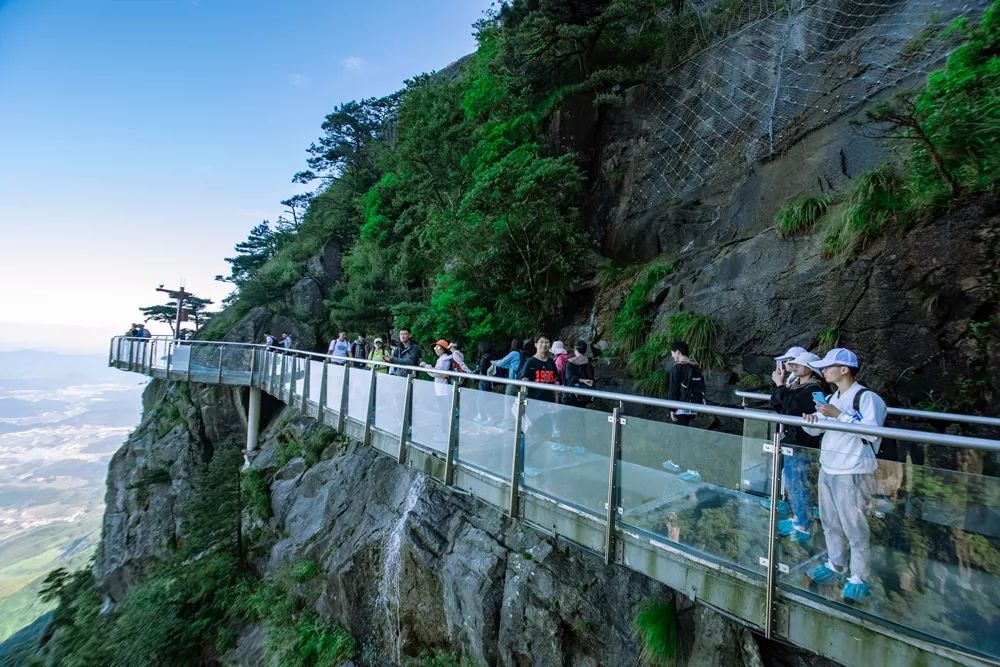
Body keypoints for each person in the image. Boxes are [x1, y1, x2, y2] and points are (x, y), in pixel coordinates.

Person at [802, 348, 887, 604]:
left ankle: (859, 577)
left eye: (828, 366)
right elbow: (816, 431)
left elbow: (872, 432)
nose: (824, 371)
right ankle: (836, 564)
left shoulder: (867, 398)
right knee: (830, 521)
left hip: (853, 469)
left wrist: (838, 415)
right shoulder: (832, 398)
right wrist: (811, 420)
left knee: (855, 526)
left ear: (844, 369)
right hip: (829, 466)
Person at [768, 351, 830, 541]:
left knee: (798, 481)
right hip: (793, 439)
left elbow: (791, 408)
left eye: (799, 364)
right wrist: (781, 387)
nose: (793, 367)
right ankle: (799, 517)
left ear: (810, 369)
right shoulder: (798, 385)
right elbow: (778, 404)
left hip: (802, 442)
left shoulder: (813, 389)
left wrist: (780, 385)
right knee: (792, 481)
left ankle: (803, 524)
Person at [419, 339, 454, 442]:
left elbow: (436, 374)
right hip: (441, 388)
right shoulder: (442, 359)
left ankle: (446, 434)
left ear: (444, 349)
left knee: (444, 411)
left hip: (443, 389)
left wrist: (427, 366)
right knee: (443, 411)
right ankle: (445, 432)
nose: (436, 349)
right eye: (435, 347)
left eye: (438, 348)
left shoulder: (444, 360)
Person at [666, 341, 706, 426]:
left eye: (672, 353)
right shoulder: (695, 366)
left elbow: (673, 390)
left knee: (680, 433)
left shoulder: (676, 368)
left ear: (677, 352)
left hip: (681, 408)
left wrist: (672, 409)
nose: (672, 355)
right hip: (696, 407)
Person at [491, 338, 524, 426]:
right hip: (520, 381)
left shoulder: (514, 353)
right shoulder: (521, 353)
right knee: (517, 402)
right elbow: (509, 365)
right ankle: (517, 423)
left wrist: (493, 362)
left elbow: (503, 362)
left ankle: (507, 422)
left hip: (513, 381)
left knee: (508, 400)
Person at [562, 340, 595, 407]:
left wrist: (581, 380)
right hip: (583, 396)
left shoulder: (569, 363)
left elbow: (569, 377)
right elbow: (591, 379)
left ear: (575, 349)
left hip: (570, 395)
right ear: (585, 350)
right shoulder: (589, 364)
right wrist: (584, 381)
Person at [473, 340, 495, 422]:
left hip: (484, 381)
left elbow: (482, 370)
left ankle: (488, 418)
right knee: (485, 398)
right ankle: (484, 416)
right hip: (489, 380)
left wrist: (476, 372)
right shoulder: (491, 356)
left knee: (483, 399)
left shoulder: (484, 357)